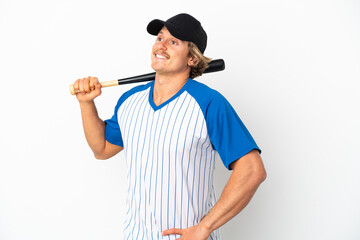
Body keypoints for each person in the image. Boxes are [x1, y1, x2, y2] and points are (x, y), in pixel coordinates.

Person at [72, 13, 266, 240]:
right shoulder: (130, 100)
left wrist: (204, 228)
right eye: (159, 38)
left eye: (173, 42)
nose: (161, 45)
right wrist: (86, 104)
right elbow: (102, 148)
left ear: (192, 59)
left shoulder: (208, 103)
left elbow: (252, 170)